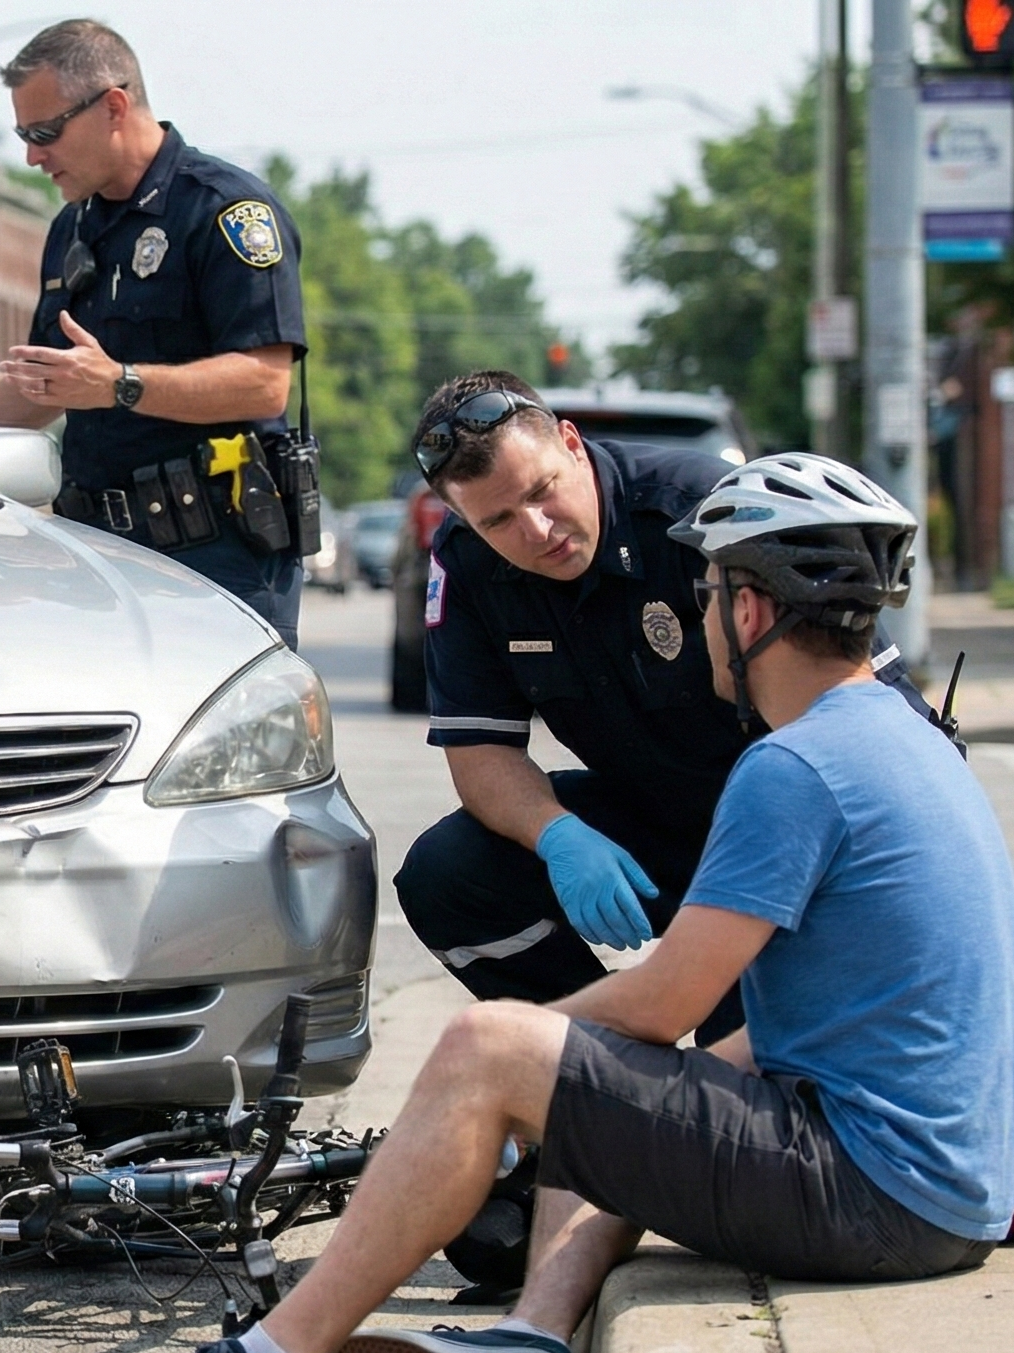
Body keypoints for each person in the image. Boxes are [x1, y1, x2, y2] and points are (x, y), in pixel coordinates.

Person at [213, 455, 1014, 1353]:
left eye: (709, 591)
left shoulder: (792, 768)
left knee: (492, 1045)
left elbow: (659, 1005)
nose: (704, 614)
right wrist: (577, 1083)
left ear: (748, 612)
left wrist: (494, 1075)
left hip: (871, 1197)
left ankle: (276, 1345)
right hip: (954, 1197)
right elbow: (760, 1033)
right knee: (603, 1074)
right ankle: (537, 1329)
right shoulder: (897, 738)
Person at [392, 372, 935, 1039]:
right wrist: (558, 836)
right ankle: (603, 1068)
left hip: (783, 827)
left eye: (542, 491)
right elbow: (480, 752)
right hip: (650, 821)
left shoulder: (708, 512)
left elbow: (867, 709)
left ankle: (649, 1074)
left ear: (570, 443)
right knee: (447, 873)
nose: (535, 530)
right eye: (498, 519)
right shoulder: (467, 562)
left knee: (743, 1073)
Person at [0, 20, 310, 647]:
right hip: (95, 556)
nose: (32, 155)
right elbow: (44, 387)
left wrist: (120, 385)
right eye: (24, 136)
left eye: (45, 132)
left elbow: (264, 383)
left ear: (113, 105)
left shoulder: (224, 211)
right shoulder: (69, 228)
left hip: (219, 562)